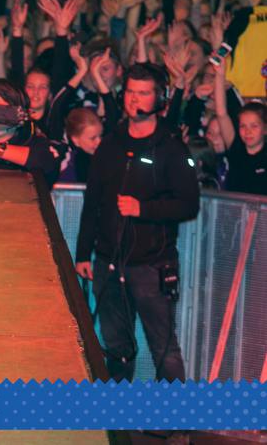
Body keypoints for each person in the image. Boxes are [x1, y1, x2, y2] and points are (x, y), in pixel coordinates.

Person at [74, 63, 200, 382]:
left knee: (164, 349)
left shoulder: (171, 147)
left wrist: (143, 209)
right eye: (130, 91)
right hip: (108, 261)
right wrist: (83, 252)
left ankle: (176, 415)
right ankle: (116, 411)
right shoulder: (110, 143)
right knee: (116, 348)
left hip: (152, 265)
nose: (134, 99)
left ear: (160, 98)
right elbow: (92, 201)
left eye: (143, 93)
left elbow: (189, 204)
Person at [213, 63, 266, 195]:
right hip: (234, 207)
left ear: (265, 129)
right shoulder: (236, 147)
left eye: (254, 126)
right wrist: (220, 74)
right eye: (243, 126)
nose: (248, 132)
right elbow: (221, 113)